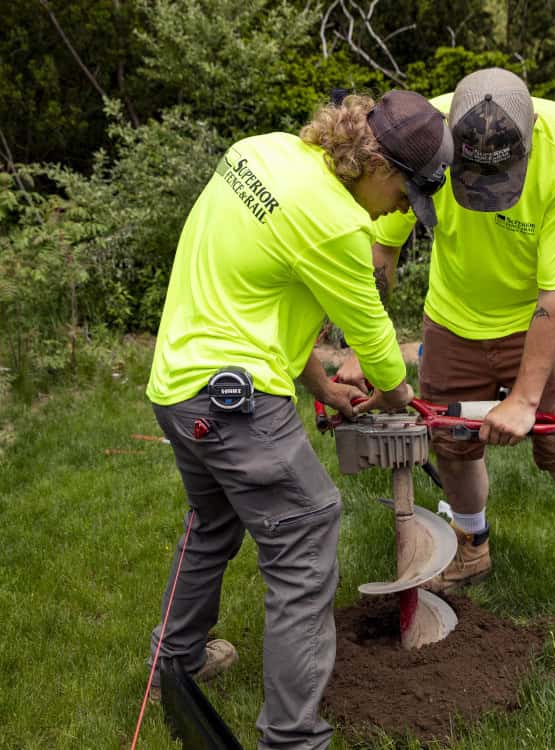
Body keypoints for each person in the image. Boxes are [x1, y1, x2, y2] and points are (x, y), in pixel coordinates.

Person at [144, 89, 453, 749]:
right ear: (382, 169)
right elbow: (373, 341)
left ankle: (177, 661)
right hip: (235, 403)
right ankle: (291, 738)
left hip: (177, 385)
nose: (402, 212)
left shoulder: (261, 154)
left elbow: (260, 296)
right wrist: (399, 402)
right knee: (307, 536)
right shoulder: (337, 223)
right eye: (406, 198)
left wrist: (320, 382)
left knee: (214, 521)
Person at [337, 68, 555, 696]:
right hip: (452, 317)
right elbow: (384, 247)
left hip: (542, 320)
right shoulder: (426, 133)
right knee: (452, 446)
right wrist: (362, 342)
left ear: (530, 137)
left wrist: (528, 400)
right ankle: (470, 544)